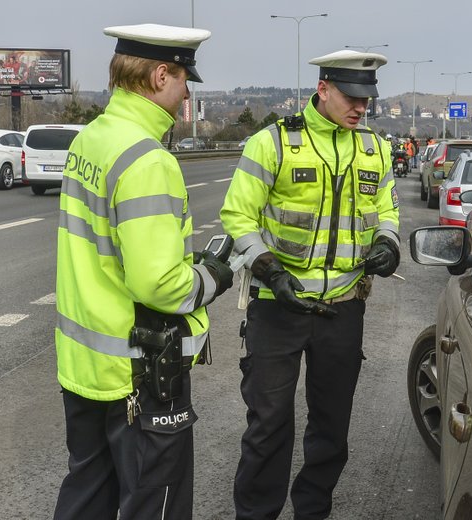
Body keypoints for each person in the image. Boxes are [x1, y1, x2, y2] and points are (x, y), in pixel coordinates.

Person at [52, 23, 233, 519]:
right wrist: (211, 276)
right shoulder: (147, 159)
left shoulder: (91, 139)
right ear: (159, 76)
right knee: (156, 504)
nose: (186, 92)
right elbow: (158, 283)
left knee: (86, 494)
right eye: (183, 79)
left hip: (85, 367)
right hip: (141, 372)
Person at [221, 49, 400, 520]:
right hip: (278, 306)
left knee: (331, 429)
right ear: (322, 89)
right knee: (268, 426)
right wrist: (269, 271)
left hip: (343, 310)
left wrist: (388, 243)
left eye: (368, 97)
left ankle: (313, 512)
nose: (362, 106)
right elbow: (237, 216)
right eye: (351, 95)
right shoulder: (272, 143)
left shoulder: (375, 149)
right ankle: (256, 514)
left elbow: (387, 210)